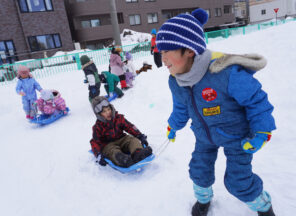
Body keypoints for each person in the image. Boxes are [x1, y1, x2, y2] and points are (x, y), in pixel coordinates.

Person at [156, 8, 276, 216]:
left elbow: (256, 100)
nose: (162, 58)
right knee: (198, 171)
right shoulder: (177, 81)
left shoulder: (224, 73)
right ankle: (203, 200)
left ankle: (263, 206)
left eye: (168, 51)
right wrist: (173, 125)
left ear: (190, 50)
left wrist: (262, 131)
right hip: (204, 137)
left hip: (238, 137)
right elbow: (181, 107)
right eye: (161, 52)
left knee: (238, 182)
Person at [89, 96, 153, 167]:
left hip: (122, 139)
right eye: (104, 112)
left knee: (132, 140)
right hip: (108, 145)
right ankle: (123, 159)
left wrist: (140, 135)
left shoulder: (118, 118)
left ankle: (138, 153)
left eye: (108, 109)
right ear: (99, 115)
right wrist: (98, 154)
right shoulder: (97, 127)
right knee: (112, 151)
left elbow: (129, 126)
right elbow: (94, 142)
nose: (108, 112)